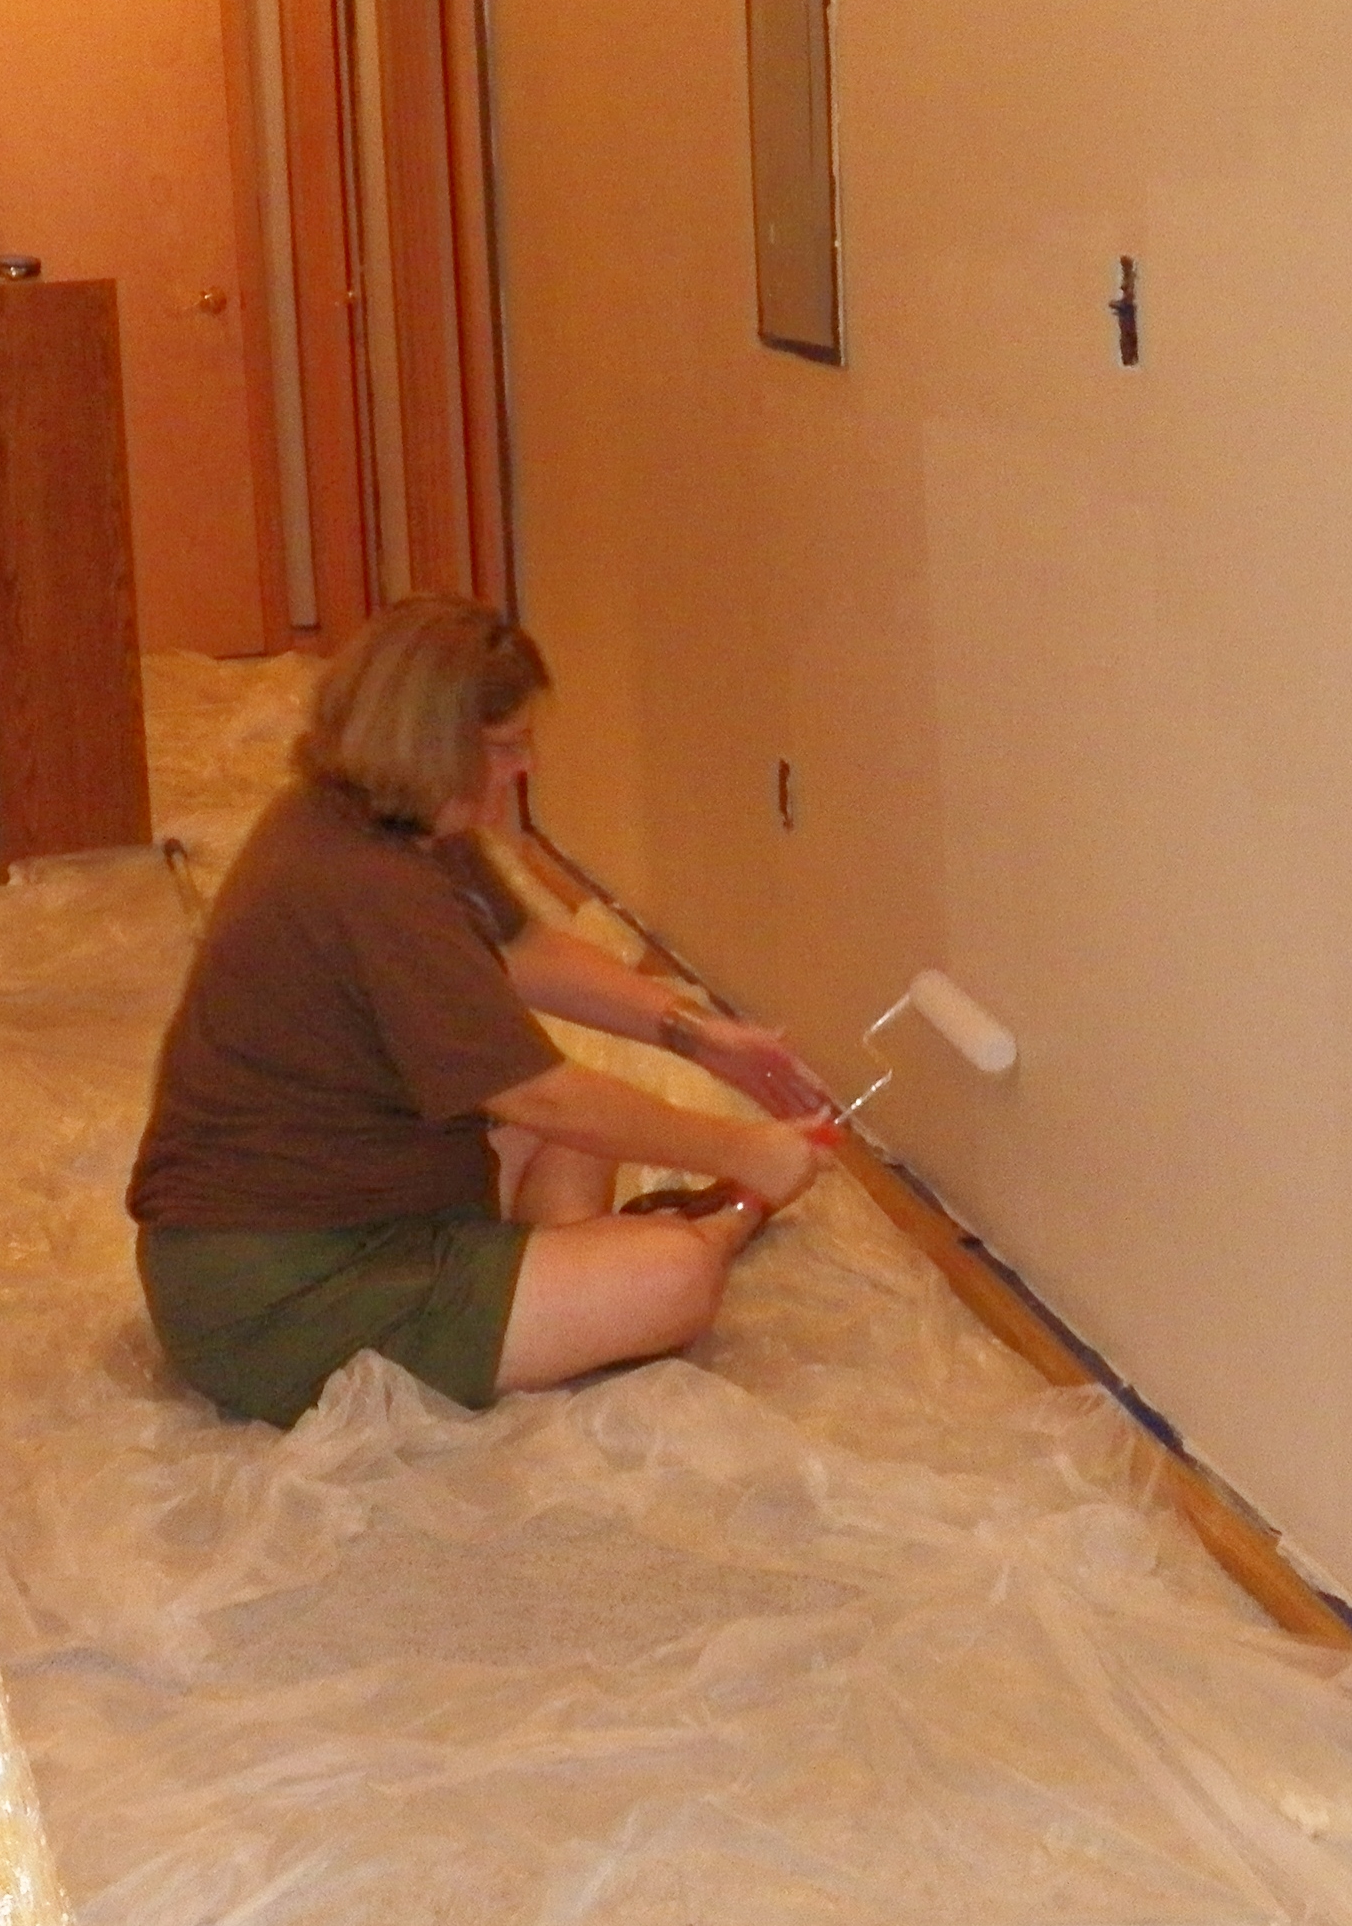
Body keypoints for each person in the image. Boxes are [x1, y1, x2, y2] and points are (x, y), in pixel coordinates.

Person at [127, 595, 838, 1427]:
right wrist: (744, 1155)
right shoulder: (370, 885)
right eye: (504, 746)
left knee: (589, 1136)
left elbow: (523, 945)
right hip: (276, 1294)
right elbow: (538, 1093)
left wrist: (695, 1033)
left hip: (356, 1195)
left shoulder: (385, 815)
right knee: (674, 1273)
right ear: (432, 745)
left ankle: (560, 1295)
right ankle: (695, 1240)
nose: (523, 764)